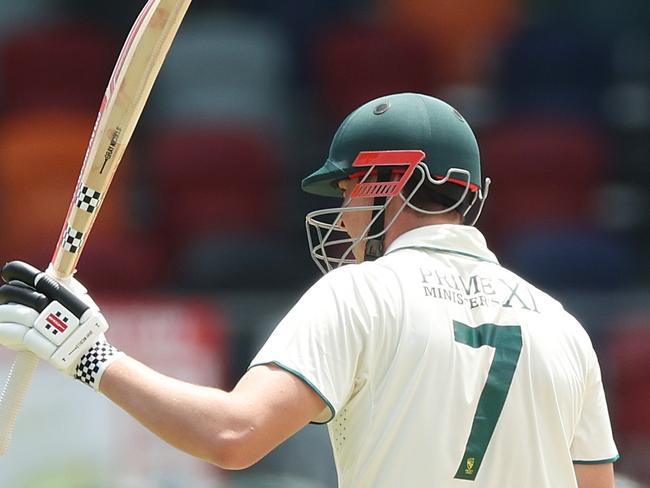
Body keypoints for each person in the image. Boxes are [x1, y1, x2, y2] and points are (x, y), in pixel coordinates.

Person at [0, 93, 618, 487]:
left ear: (391, 181)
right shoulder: (563, 327)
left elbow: (234, 436)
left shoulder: (360, 293)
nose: (345, 213)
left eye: (350, 189)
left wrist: (87, 355)